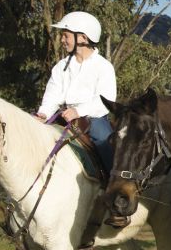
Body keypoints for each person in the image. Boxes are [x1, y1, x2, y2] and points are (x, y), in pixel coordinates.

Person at [35, 11, 116, 175]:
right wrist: (43, 114)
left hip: (93, 118)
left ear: (83, 38)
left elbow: (105, 100)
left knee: (104, 141)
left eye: (66, 36)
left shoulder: (104, 66)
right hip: (64, 114)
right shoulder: (60, 66)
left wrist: (78, 111)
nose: (62, 40)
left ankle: (112, 184)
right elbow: (52, 94)